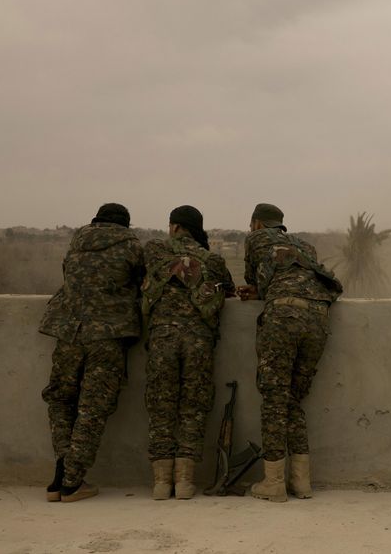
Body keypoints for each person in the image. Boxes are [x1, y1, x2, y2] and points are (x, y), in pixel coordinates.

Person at [39, 203, 145, 502]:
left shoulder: (77, 242)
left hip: (68, 333)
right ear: (125, 224)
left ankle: (60, 472)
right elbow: (140, 284)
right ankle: (72, 481)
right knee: (93, 407)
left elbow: (67, 279)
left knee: (61, 399)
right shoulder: (132, 246)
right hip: (107, 336)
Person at [237, 203, 342, 502]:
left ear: (257, 224)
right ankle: (301, 482)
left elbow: (253, 279)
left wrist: (259, 291)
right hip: (318, 317)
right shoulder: (305, 246)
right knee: (294, 399)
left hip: (283, 315)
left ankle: (273, 483)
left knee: (274, 399)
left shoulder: (256, 240)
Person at [141, 206, 234, 500]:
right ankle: (183, 482)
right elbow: (228, 290)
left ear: (174, 227)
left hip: (161, 339)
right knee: (194, 406)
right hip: (198, 340)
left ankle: (160, 483)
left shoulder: (155, 251)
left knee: (161, 406)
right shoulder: (213, 260)